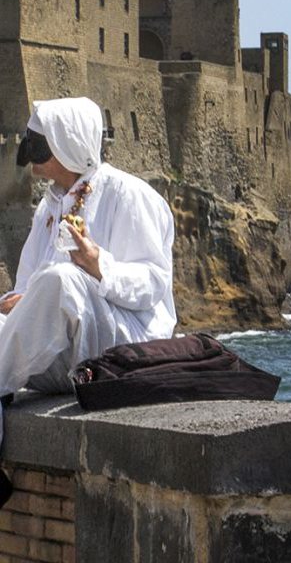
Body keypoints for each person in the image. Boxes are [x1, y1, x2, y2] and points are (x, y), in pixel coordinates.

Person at [0, 96, 176, 422]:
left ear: (67, 142)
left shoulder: (129, 195)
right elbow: (27, 287)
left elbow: (154, 281)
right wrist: (18, 302)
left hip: (122, 348)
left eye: (37, 143)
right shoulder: (49, 207)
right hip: (63, 350)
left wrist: (99, 266)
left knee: (62, 279)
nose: (27, 153)